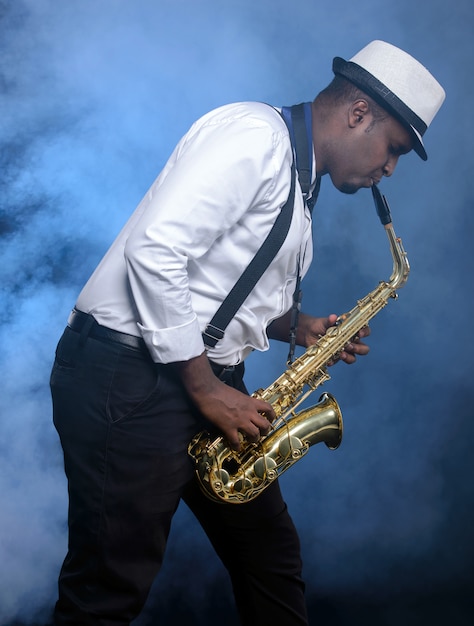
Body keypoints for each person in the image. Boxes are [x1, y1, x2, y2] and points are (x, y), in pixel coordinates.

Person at [50, 40, 445, 625]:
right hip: (129, 378)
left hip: (198, 381)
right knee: (107, 592)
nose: (389, 169)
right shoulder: (255, 138)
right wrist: (207, 388)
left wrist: (300, 326)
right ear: (359, 113)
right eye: (393, 150)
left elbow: (219, 287)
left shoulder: (299, 182)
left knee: (270, 559)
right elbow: (155, 252)